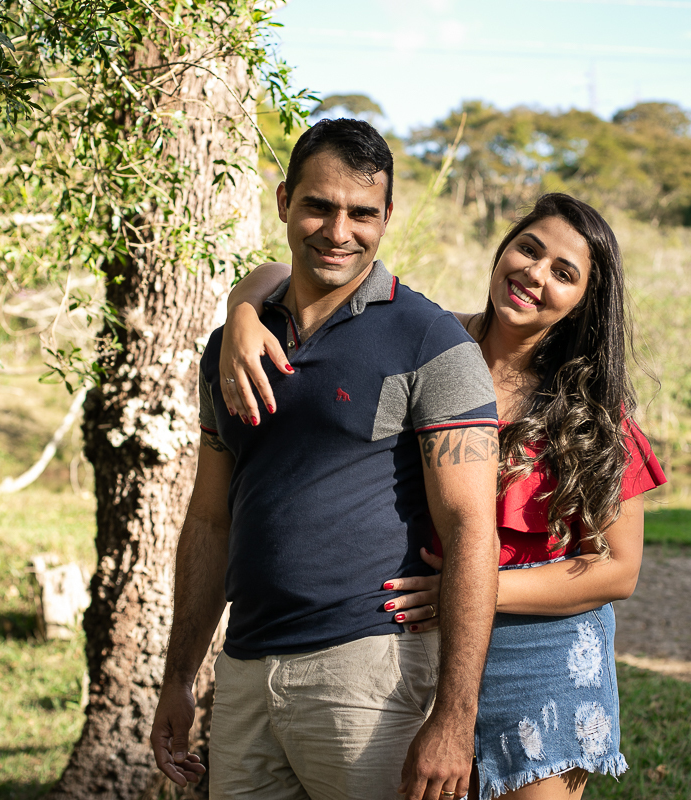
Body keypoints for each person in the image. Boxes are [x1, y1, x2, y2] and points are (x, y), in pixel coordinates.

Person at [217, 192, 666, 800]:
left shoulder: (591, 414)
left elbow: (619, 570)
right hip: (416, 651)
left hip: (542, 659)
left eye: (564, 273)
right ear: (503, 248)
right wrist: (242, 312)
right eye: (528, 249)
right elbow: (284, 274)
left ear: (584, 302)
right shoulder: (428, 339)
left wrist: (470, 587)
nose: (535, 274)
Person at [149, 118, 503, 800]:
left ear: (387, 217)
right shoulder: (232, 345)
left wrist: (455, 719)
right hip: (245, 675)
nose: (340, 231)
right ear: (284, 201)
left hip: (369, 674)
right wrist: (177, 679)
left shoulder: (428, 342)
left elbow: (470, 531)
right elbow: (209, 521)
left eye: (362, 213)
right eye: (319, 206)